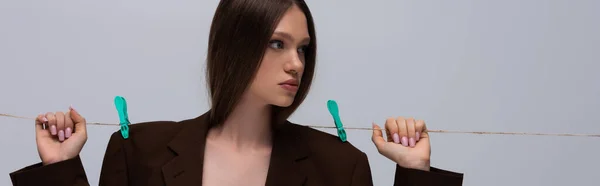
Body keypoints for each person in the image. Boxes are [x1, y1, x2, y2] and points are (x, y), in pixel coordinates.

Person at [9, 0, 464, 185]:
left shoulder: (340, 166)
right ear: (234, 45)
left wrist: (415, 172)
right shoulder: (137, 151)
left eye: (303, 49)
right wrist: (60, 168)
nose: (296, 64)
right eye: (277, 43)